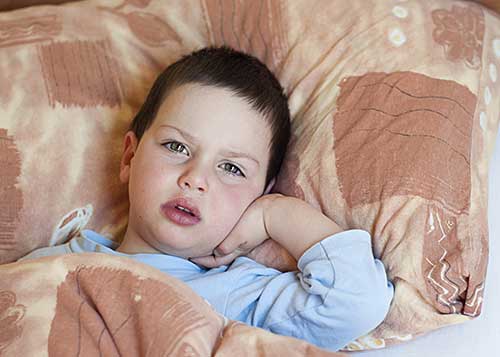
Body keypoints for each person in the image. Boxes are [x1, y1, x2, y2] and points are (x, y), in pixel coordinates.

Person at [19, 45, 394, 352]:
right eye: (176, 146)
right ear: (129, 157)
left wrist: (276, 214)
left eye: (231, 169)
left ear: (258, 194)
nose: (195, 178)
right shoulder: (53, 263)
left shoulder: (236, 296)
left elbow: (355, 300)